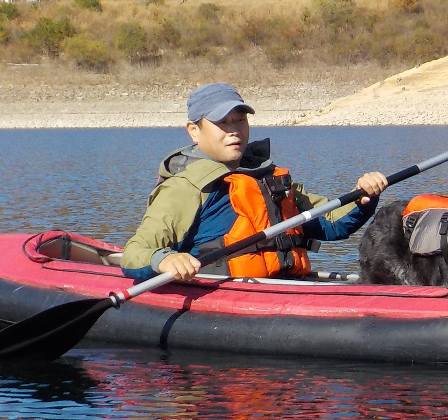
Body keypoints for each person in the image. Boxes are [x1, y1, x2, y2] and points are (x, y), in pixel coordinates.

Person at [121, 82, 387, 281]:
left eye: (240, 120)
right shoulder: (184, 187)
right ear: (194, 130)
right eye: (222, 123)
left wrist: (361, 197)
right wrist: (164, 260)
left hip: (284, 287)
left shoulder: (268, 177)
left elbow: (331, 224)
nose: (234, 131)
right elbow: (135, 252)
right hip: (224, 296)